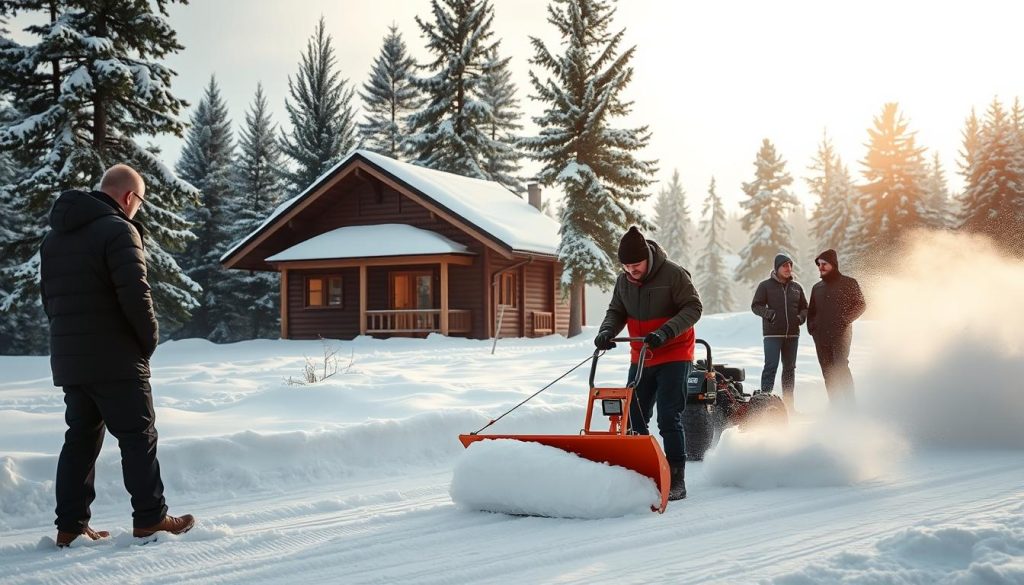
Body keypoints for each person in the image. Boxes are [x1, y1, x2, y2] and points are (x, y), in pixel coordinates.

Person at [40, 164, 194, 548]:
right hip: (116, 357)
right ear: (129, 197)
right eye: (139, 202)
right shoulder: (119, 229)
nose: (137, 209)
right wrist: (148, 341)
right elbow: (136, 294)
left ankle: (70, 526)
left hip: (72, 358)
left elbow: (50, 302)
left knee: (80, 439)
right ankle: (150, 518)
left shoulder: (54, 239)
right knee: (138, 436)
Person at [594, 226, 702, 501]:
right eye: (627, 266)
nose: (632, 271)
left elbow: (693, 308)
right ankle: (644, 470)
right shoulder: (623, 282)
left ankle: (677, 479)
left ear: (648, 259)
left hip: (675, 353)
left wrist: (666, 331)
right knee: (633, 416)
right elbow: (616, 311)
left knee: (668, 415)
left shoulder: (673, 274)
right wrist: (607, 331)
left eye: (636, 265)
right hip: (641, 354)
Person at [807, 249, 866, 406]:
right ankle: (836, 405)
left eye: (824, 264)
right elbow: (811, 311)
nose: (821, 267)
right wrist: (812, 328)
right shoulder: (817, 287)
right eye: (819, 265)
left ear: (833, 264)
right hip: (820, 336)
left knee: (840, 367)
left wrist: (845, 320)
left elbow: (861, 304)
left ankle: (850, 405)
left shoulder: (849, 283)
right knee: (828, 372)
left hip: (841, 333)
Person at [750, 253, 808, 411]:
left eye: (790, 265)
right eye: (784, 265)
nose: (788, 268)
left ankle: (789, 406)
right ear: (777, 268)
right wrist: (770, 314)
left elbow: (805, 307)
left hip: (792, 335)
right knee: (771, 367)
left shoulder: (797, 287)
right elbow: (756, 306)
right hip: (772, 335)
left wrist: (800, 318)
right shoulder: (765, 286)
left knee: (789, 369)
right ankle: (763, 405)